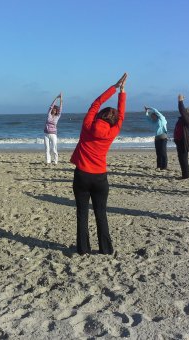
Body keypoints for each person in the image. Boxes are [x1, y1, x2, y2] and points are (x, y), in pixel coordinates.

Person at [70, 73, 127, 255]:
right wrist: (122, 93)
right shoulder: (112, 131)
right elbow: (122, 116)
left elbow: (95, 103)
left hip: (82, 175)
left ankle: (83, 249)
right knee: (101, 213)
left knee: (82, 213)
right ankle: (106, 248)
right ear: (112, 120)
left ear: (100, 115)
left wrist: (115, 86)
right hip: (100, 177)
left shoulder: (88, 124)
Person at [173, 94, 189, 179]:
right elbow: (182, 112)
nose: (185, 111)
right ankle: (185, 174)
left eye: (187, 111)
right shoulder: (183, 119)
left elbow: (182, 110)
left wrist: (180, 101)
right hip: (180, 141)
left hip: (184, 142)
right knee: (181, 158)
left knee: (183, 159)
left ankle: (186, 175)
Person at [144, 106, 168, 170]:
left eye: (153, 116)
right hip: (157, 138)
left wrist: (150, 108)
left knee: (163, 152)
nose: (152, 118)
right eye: (151, 117)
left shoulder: (162, 119)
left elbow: (156, 111)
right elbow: (147, 119)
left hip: (163, 137)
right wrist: (146, 112)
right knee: (158, 153)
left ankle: (164, 167)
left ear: (156, 116)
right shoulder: (153, 122)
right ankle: (159, 166)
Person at [44, 93, 63, 165]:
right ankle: (48, 161)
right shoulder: (49, 114)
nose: (54, 110)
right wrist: (56, 98)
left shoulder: (57, 116)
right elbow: (51, 106)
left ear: (57, 111)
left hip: (53, 134)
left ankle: (55, 161)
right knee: (47, 149)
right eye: (53, 109)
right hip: (46, 133)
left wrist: (61, 100)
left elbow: (61, 108)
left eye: (55, 110)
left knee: (54, 148)